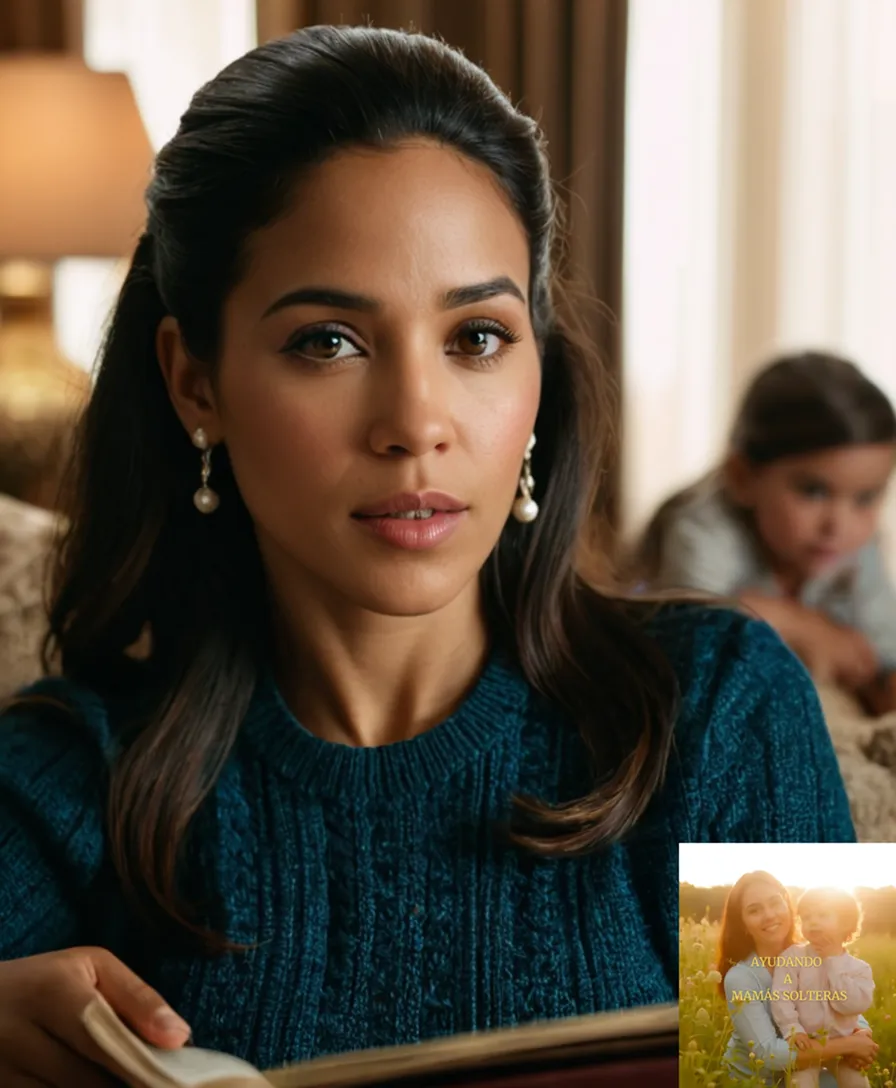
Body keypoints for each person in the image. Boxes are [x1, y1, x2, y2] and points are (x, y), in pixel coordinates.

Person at [0, 25, 855, 1087]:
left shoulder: (724, 709)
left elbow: (830, 1069)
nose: (415, 422)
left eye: (476, 338)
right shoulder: (75, 775)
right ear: (195, 382)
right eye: (328, 341)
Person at [634, 354, 896, 715]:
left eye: (865, 498)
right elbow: (690, 625)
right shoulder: (702, 527)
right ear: (742, 478)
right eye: (814, 491)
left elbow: (883, 653)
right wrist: (798, 624)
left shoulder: (854, 544)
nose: (838, 525)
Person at [717, 872, 878, 1085]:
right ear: (743, 924)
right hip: (757, 1079)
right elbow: (768, 1054)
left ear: (788, 905)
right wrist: (849, 1045)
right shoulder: (741, 978)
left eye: (775, 903)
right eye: (754, 910)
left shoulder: (815, 953)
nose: (769, 915)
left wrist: (862, 1032)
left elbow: (839, 1003)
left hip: (810, 1063)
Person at [770, 887, 874, 1088]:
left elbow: (852, 1006)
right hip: (807, 1044)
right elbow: (781, 996)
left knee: (857, 1083)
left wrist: (833, 962)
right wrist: (792, 1029)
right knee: (800, 1083)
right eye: (806, 917)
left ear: (846, 923)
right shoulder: (792, 957)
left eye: (822, 915)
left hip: (845, 1048)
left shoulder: (859, 969)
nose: (813, 922)